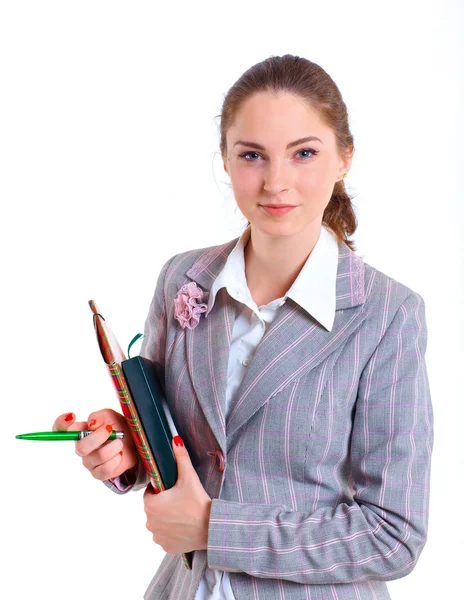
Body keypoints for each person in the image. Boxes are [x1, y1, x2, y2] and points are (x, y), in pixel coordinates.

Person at [53, 54, 434, 600]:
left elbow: (394, 536)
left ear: (344, 158)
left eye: (304, 153)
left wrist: (214, 528)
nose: (276, 182)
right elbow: (169, 443)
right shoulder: (182, 279)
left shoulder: (387, 315)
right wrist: (126, 445)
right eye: (253, 155)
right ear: (227, 163)